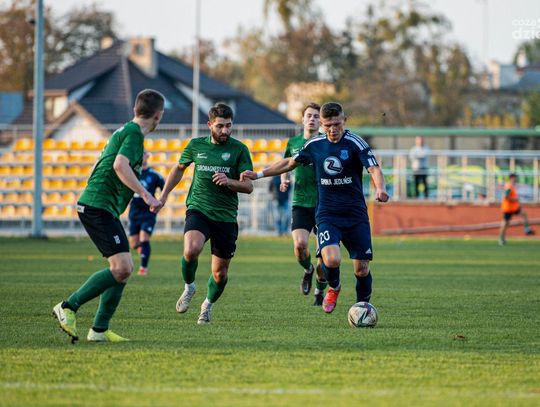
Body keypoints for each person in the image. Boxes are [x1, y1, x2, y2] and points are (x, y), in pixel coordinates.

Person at [242, 102, 389, 314]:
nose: (333, 129)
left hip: (355, 214)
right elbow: (289, 163)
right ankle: (334, 287)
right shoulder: (314, 145)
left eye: (337, 124)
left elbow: (374, 168)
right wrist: (258, 174)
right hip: (327, 214)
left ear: (344, 120)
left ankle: (362, 308)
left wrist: (380, 188)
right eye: (328, 125)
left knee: (362, 269)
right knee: (331, 259)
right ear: (322, 124)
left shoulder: (355, 142)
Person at [52, 89, 164, 343]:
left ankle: (99, 330)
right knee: (122, 267)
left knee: (124, 268)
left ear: (136, 109)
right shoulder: (134, 134)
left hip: (101, 206)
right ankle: (67, 307)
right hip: (97, 207)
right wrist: (146, 196)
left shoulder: (125, 131)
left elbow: (101, 163)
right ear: (159, 115)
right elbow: (119, 165)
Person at [154, 103, 253, 324]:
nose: (225, 130)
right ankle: (189, 287)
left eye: (229, 126)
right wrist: (164, 196)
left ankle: (207, 305)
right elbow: (179, 168)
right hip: (199, 208)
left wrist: (229, 181)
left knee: (220, 274)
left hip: (226, 216)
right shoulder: (195, 145)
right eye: (220, 126)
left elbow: (248, 187)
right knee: (191, 249)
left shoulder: (239, 150)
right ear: (209, 125)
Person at [280, 102, 327, 306]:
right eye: (309, 115)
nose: (312, 119)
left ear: (321, 121)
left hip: (324, 204)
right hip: (300, 201)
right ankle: (308, 269)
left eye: (316, 116)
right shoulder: (293, 142)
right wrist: (284, 179)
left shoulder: (325, 142)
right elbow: (285, 164)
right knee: (300, 245)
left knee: (325, 257)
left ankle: (319, 291)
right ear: (302, 119)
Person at [128, 151, 165, 276]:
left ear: (147, 156)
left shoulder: (154, 175)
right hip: (134, 211)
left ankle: (143, 268)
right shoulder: (132, 173)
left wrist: (159, 202)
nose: (141, 155)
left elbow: (164, 189)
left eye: (143, 153)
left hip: (148, 212)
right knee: (133, 243)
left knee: (144, 237)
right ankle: (143, 252)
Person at [498, 173, 535, 245]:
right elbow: (506, 196)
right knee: (505, 223)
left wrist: (517, 202)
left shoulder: (513, 186)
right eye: (515, 177)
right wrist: (514, 199)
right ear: (511, 178)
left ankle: (527, 229)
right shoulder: (509, 186)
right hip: (508, 208)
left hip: (514, 207)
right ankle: (501, 237)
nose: (516, 179)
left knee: (524, 214)